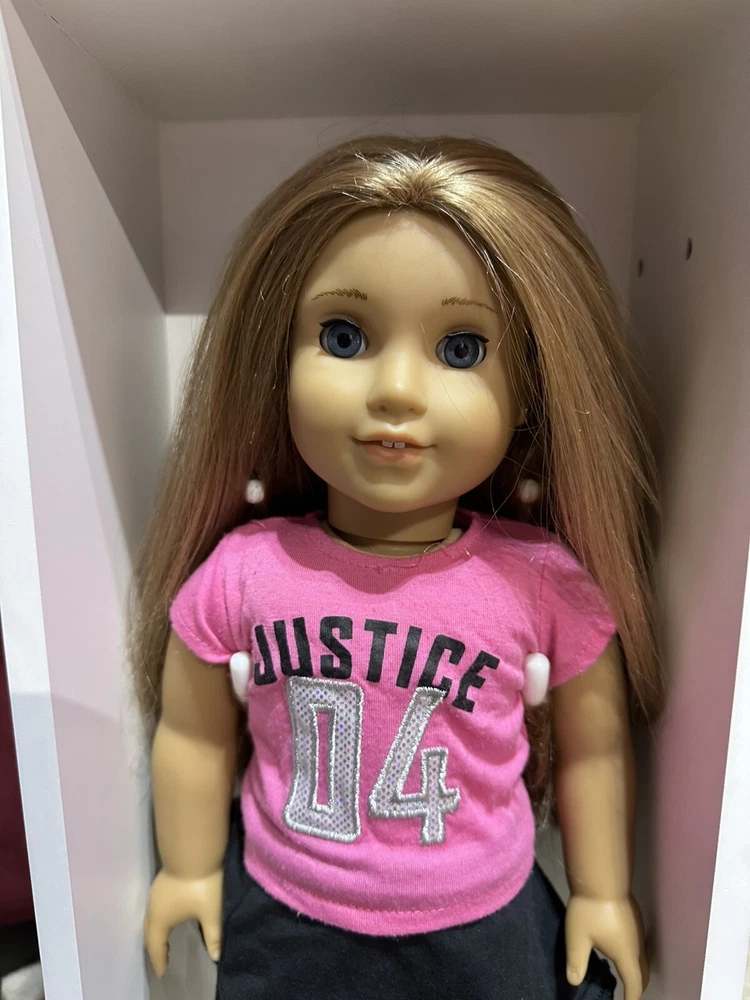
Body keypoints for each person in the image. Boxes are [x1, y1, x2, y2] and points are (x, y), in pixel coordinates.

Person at [130, 136, 666, 999]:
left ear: (529, 392)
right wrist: (188, 870)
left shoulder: (540, 583)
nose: (397, 392)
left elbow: (593, 752)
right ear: (277, 364)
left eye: (462, 350)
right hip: (286, 909)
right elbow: (193, 734)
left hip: (480, 917)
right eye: (344, 337)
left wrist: (602, 894)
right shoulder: (245, 570)